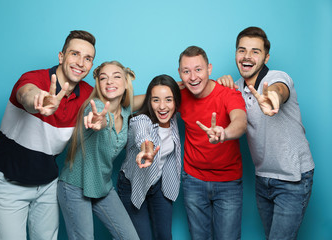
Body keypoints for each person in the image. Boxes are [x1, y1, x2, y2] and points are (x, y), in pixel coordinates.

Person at [0, 30, 96, 240]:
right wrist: (39, 100)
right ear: (61, 56)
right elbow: (25, 93)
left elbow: (121, 101)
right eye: (74, 54)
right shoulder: (34, 78)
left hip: (47, 184)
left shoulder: (87, 93)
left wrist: (168, 90)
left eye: (88, 58)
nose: (81, 63)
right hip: (9, 183)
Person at [217, 26, 315, 240]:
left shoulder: (277, 77)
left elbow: (279, 89)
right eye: (242, 50)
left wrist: (273, 98)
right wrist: (222, 86)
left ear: (266, 57)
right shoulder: (235, 88)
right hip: (263, 179)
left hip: (293, 178)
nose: (247, 56)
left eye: (255, 51)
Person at [57, 61, 140, 240]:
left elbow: (147, 97)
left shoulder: (125, 110)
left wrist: (178, 87)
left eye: (116, 76)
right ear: (99, 85)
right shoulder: (95, 107)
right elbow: (100, 119)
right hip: (74, 186)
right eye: (103, 78)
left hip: (102, 186)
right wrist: (99, 122)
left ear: (126, 82)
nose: (109, 81)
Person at [178, 46, 247, 240]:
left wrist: (224, 133)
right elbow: (148, 101)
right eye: (186, 71)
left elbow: (241, 122)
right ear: (180, 73)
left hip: (228, 183)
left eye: (198, 69)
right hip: (193, 181)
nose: (193, 77)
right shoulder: (180, 94)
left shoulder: (228, 93)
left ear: (209, 69)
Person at [117, 74, 182, 240]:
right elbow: (143, 136)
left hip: (159, 185)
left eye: (168, 99)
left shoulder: (173, 118)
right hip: (133, 184)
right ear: (149, 101)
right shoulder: (141, 120)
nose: (162, 106)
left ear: (176, 101)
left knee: (164, 236)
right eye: (155, 100)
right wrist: (147, 149)